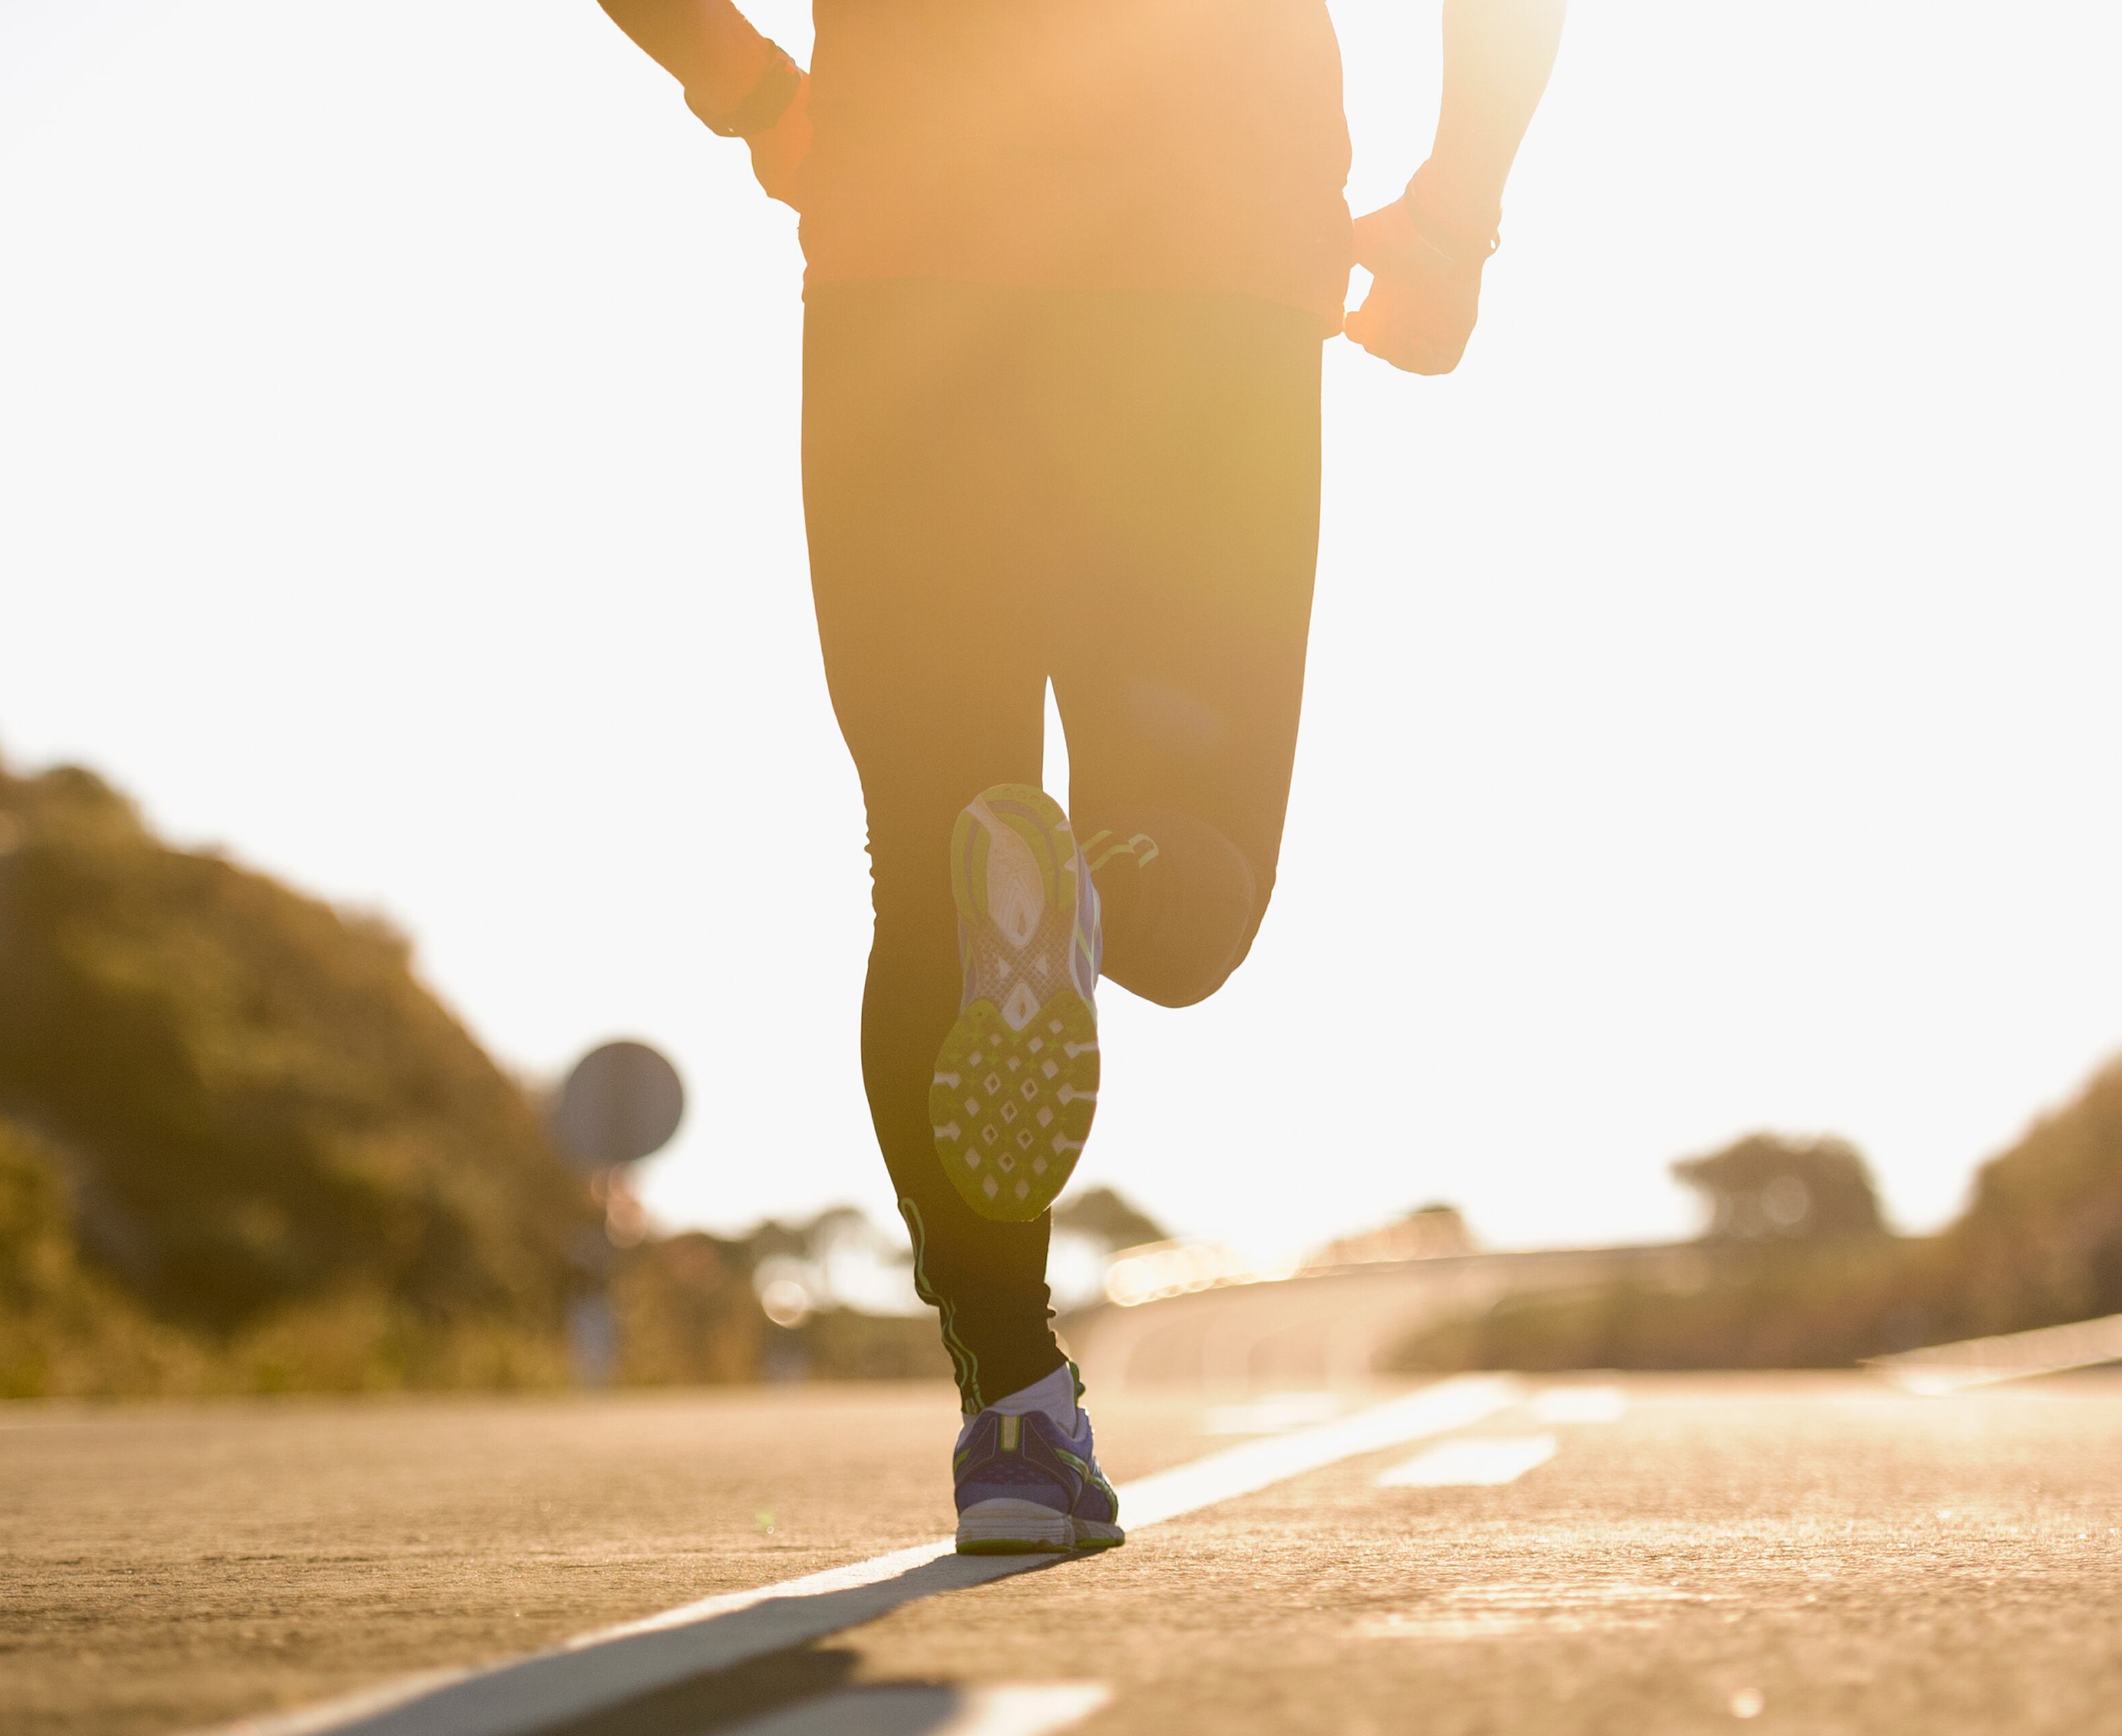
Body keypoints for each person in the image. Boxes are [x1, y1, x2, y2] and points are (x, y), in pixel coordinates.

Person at [596, 0, 1565, 1553]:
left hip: (902, 264)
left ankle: (1015, 1415)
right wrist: (1454, 212)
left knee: (929, 850)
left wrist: (753, 93)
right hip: (1210, 270)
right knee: (1193, 894)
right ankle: (1104, 887)